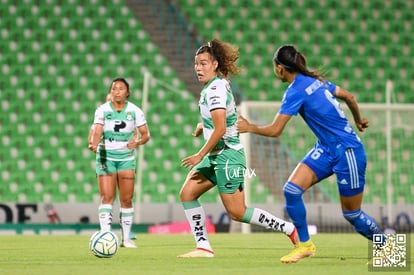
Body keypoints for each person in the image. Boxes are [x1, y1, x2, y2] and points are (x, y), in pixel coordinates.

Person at [237, 44, 384, 263]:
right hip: (326, 148)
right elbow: (350, 97)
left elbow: (276, 130)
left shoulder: (295, 91)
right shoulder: (318, 82)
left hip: (348, 152)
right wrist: (358, 119)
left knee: (352, 214)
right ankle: (305, 245)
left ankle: (389, 248)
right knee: (292, 190)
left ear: (280, 68)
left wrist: (251, 127)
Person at [177, 39, 299, 258]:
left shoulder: (215, 89)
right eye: (196, 64)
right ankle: (203, 247)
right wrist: (201, 127)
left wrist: (199, 154)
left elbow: (221, 127)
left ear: (215, 64)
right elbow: (220, 121)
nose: (198, 68)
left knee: (237, 212)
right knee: (187, 193)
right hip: (217, 154)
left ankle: (288, 228)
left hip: (227, 156)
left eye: (203, 63)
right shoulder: (218, 83)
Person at [88, 77, 150, 248]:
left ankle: (126, 238)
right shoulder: (102, 110)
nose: (116, 91)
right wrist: (94, 142)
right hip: (105, 157)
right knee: (107, 197)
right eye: (114, 88)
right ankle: (106, 234)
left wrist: (137, 142)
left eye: (120, 88)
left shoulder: (135, 111)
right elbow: (97, 129)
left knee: (127, 199)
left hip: (126, 159)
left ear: (127, 92)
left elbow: (146, 135)